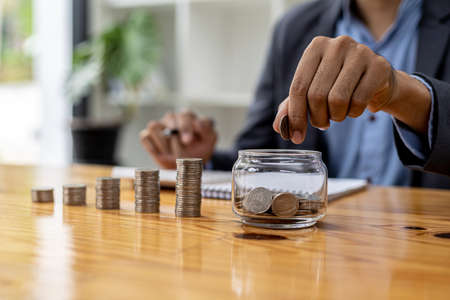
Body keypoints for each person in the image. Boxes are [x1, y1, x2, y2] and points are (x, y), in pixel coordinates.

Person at [140, 0, 450, 188]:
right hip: (322, 245)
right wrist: (200, 160)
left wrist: (400, 92)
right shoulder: (293, 28)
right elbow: (260, 149)